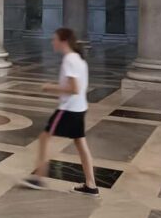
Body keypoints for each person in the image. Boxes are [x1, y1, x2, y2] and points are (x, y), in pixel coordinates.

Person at [21, 28, 99, 197]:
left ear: (63, 41)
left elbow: (74, 88)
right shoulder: (78, 59)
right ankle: (91, 185)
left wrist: (50, 87)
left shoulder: (70, 59)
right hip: (79, 108)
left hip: (68, 109)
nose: (52, 42)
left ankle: (39, 178)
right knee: (80, 144)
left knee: (44, 138)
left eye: (54, 39)